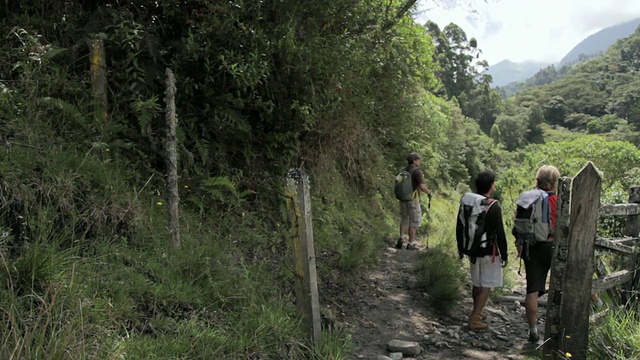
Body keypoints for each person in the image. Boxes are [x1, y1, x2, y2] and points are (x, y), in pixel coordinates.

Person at [456, 170, 508, 331]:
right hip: (488, 251)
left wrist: (461, 247)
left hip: (472, 249)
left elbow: (459, 225)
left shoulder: (468, 201)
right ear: (491, 186)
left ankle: (476, 311)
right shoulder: (493, 205)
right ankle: (475, 318)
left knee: (476, 283)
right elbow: (500, 232)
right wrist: (505, 254)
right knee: (486, 284)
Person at [517, 165, 560, 343]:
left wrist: (519, 245)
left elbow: (519, 224)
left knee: (532, 289)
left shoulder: (528, 197)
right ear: (554, 182)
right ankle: (560, 329)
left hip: (532, 247)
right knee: (562, 285)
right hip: (553, 246)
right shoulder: (558, 200)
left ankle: (533, 330)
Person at [396, 152, 432, 250]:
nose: (419, 161)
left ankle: (401, 238)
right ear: (414, 161)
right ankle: (411, 243)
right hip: (412, 199)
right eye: (418, 160)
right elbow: (421, 186)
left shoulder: (403, 170)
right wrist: (428, 192)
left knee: (404, 218)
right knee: (414, 221)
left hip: (403, 198)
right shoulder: (417, 171)